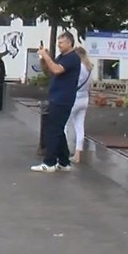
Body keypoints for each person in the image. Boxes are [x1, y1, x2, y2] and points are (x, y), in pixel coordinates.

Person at [31, 31, 81, 173]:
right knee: (58, 130)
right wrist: (43, 58)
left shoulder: (72, 58)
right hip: (56, 97)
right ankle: (64, 162)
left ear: (69, 43)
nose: (58, 45)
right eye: (58, 42)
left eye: (61, 43)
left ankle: (49, 162)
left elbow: (57, 69)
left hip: (63, 98)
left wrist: (47, 56)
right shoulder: (62, 56)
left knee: (52, 130)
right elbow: (50, 71)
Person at [66, 45, 93, 163]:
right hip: (84, 99)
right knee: (79, 127)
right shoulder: (89, 68)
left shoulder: (78, 67)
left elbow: (72, 82)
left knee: (64, 125)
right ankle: (78, 154)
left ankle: (63, 150)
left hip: (74, 98)